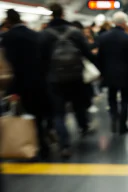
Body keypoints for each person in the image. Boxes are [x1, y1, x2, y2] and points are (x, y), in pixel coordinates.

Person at [39, 3, 96, 157]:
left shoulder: (44, 34)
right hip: (76, 77)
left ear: (51, 15)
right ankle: (83, 127)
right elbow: (88, 53)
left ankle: (64, 145)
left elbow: (40, 59)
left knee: (58, 113)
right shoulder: (75, 33)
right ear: (63, 14)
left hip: (54, 79)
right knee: (79, 105)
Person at [1, 9, 52, 160]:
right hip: (39, 81)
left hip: (21, 84)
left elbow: (11, 66)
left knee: (24, 117)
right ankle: (43, 146)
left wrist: (12, 90)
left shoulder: (8, 38)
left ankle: (30, 146)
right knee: (39, 116)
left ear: (8, 21)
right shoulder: (35, 35)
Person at [97, 12, 128, 134]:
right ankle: (122, 126)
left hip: (109, 74)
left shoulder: (103, 37)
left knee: (111, 98)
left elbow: (99, 57)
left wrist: (102, 72)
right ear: (123, 23)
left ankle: (114, 118)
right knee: (125, 100)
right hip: (125, 74)